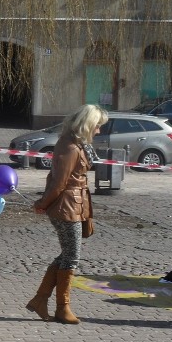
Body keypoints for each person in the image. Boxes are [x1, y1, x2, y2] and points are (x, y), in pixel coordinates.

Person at [28, 104, 107, 325]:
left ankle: (41, 299)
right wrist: (42, 204)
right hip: (65, 206)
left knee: (67, 254)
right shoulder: (69, 146)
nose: (99, 131)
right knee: (71, 255)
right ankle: (61, 307)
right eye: (97, 126)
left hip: (74, 204)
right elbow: (58, 183)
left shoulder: (77, 143)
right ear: (87, 124)